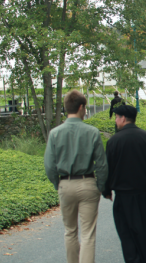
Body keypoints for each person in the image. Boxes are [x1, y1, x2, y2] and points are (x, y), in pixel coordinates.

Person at [44, 90, 108, 263]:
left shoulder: (55, 133)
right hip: (87, 182)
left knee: (70, 231)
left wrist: (58, 184)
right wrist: (101, 186)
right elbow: (101, 164)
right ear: (81, 107)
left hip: (66, 184)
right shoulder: (92, 132)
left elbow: (49, 165)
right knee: (88, 233)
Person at [103, 105, 146, 263]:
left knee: (127, 234)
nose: (116, 120)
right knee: (145, 232)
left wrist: (106, 190)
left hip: (124, 197)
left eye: (117, 117)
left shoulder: (113, 142)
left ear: (123, 118)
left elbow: (108, 168)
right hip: (145, 195)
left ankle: (133, 260)